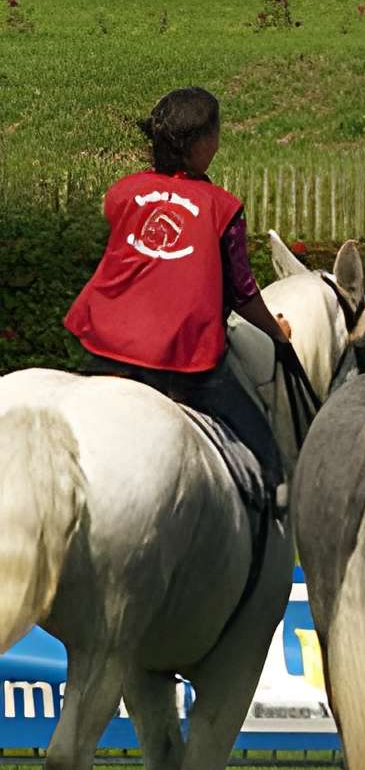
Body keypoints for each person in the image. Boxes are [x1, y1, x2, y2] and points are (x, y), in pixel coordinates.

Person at [64, 86, 293, 508]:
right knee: (262, 443)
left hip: (107, 345)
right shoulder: (222, 208)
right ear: (205, 143)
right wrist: (277, 332)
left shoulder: (122, 192)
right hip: (181, 360)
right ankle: (274, 494)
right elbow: (242, 293)